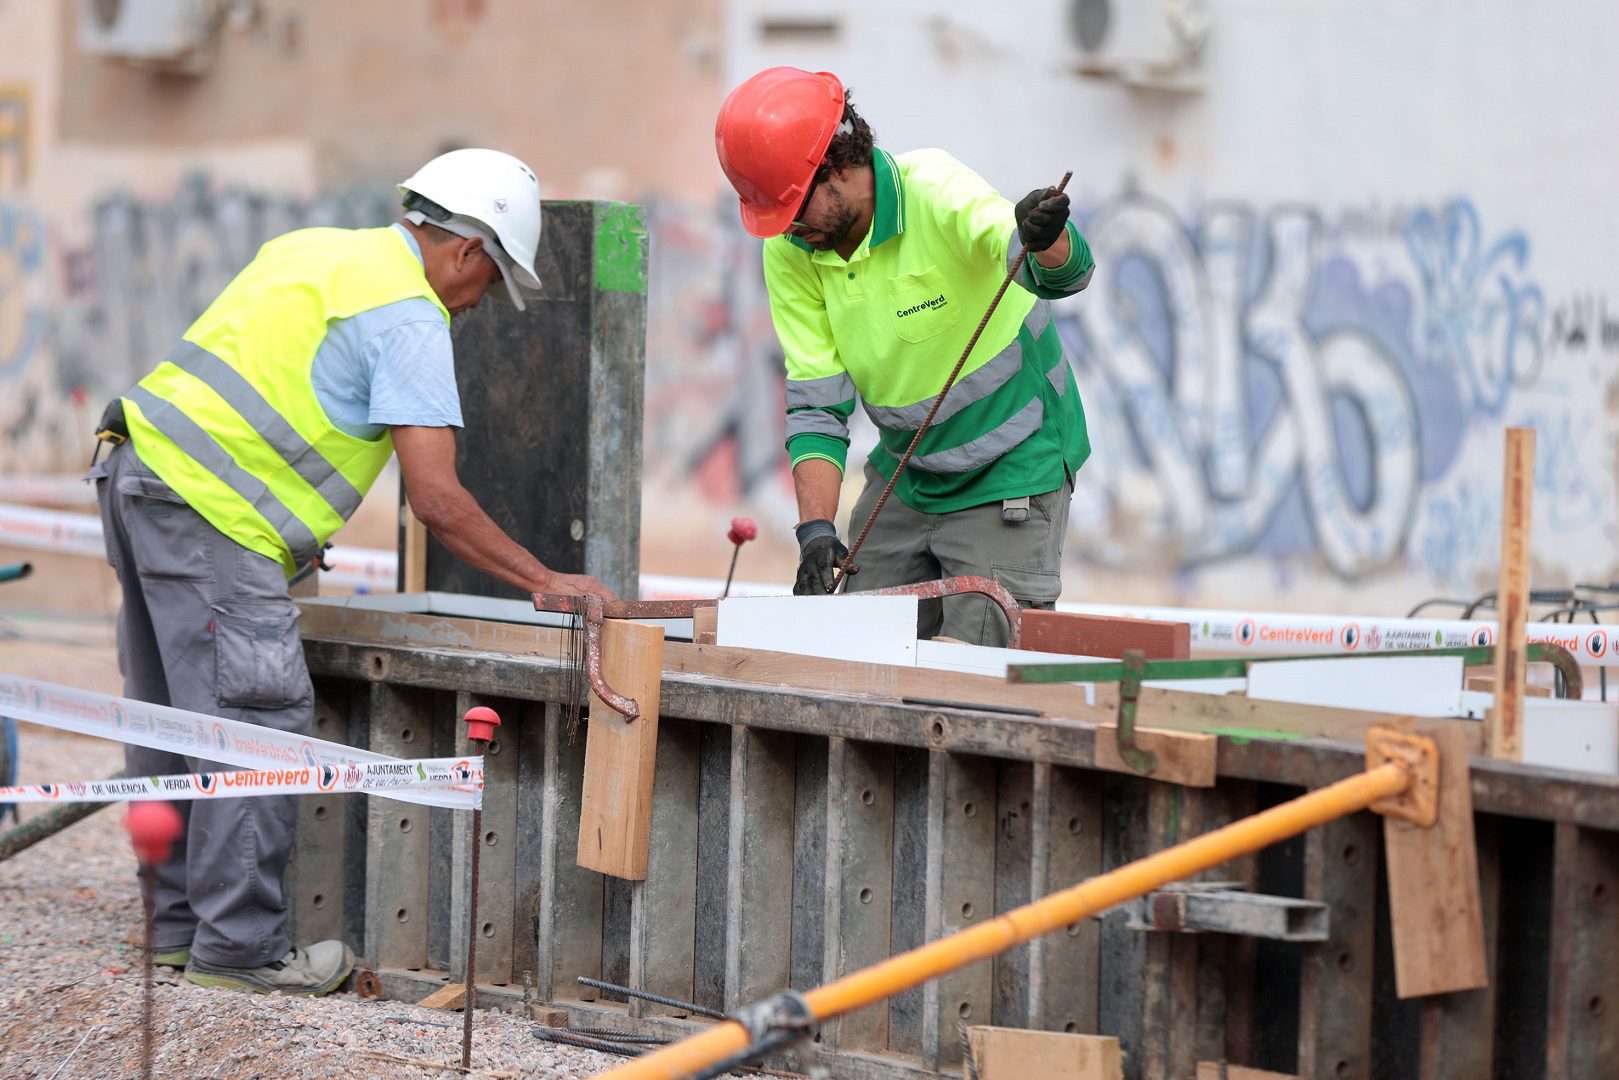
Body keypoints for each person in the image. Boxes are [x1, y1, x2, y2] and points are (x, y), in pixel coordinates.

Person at [87, 148, 616, 996]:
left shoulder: (315, 249)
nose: (478, 305)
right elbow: (436, 498)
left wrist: (288, 528)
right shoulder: (409, 316)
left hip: (135, 478)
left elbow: (269, 390)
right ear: (466, 250)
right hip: (212, 517)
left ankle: (177, 928)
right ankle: (239, 950)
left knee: (172, 715)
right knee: (255, 722)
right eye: (489, 283)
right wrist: (543, 579)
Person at [714, 68, 1095, 646]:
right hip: (909, 472)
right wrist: (815, 531)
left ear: (837, 165)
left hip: (1014, 465)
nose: (786, 228)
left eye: (792, 207)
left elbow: (1061, 270)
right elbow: (816, 405)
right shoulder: (793, 248)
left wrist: (1048, 237)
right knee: (856, 649)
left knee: (976, 670)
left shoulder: (935, 189)